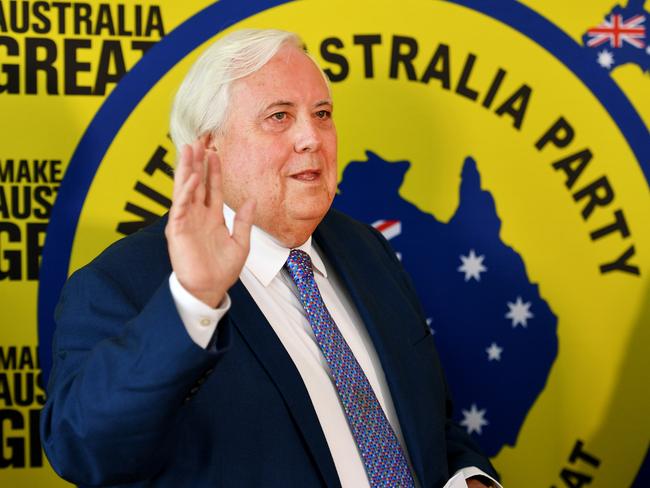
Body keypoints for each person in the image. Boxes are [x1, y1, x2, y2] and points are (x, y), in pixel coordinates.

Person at [41, 29, 500, 488]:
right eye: (279, 116)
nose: (311, 138)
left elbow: (424, 420)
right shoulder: (121, 285)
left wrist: (469, 477)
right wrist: (193, 303)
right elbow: (83, 449)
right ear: (208, 148)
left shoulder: (367, 249)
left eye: (322, 114)